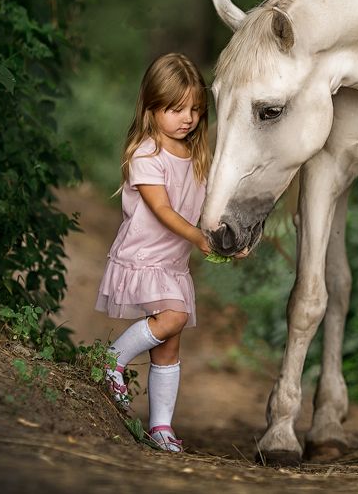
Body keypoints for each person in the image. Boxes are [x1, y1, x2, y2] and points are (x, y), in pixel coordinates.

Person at [94, 52, 212, 453]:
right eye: (176, 109)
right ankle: (110, 359)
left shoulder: (197, 155)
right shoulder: (146, 153)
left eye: (195, 109)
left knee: (170, 342)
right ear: (151, 107)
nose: (188, 118)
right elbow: (162, 211)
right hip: (145, 256)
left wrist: (223, 239)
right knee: (173, 317)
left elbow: (206, 206)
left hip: (172, 263)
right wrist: (197, 237)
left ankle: (161, 426)